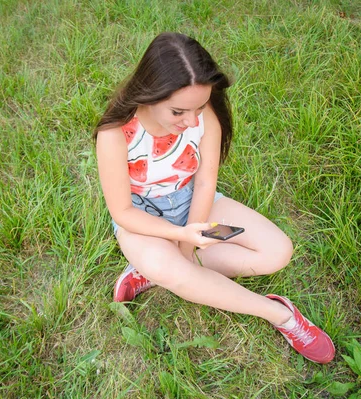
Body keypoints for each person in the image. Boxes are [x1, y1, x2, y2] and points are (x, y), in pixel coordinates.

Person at [93, 32, 335, 364]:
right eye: (178, 111)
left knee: (277, 252)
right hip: (143, 219)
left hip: (197, 202)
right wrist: (180, 237)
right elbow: (122, 211)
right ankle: (280, 315)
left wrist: (190, 242)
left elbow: (206, 180)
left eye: (200, 107)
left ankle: (157, 272)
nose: (192, 121)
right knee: (174, 266)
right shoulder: (115, 135)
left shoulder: (202, 116)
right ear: (149, 94)